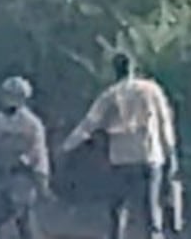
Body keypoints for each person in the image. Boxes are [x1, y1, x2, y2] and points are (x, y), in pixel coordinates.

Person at [60, 51, 178, 239]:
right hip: (150, 155)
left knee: (118, 209)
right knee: (151, 208)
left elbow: (89, 124)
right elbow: (165, 122)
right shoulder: (152, 90)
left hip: (121, 158)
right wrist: (170, 152)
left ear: (114, 71)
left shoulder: (110, 95)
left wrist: (67, 146)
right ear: (133, 68)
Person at [0, 76, 50, 239]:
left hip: (22, 176)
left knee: (23, 220)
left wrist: (41, 177)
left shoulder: (32, 123)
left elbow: (38, 150)